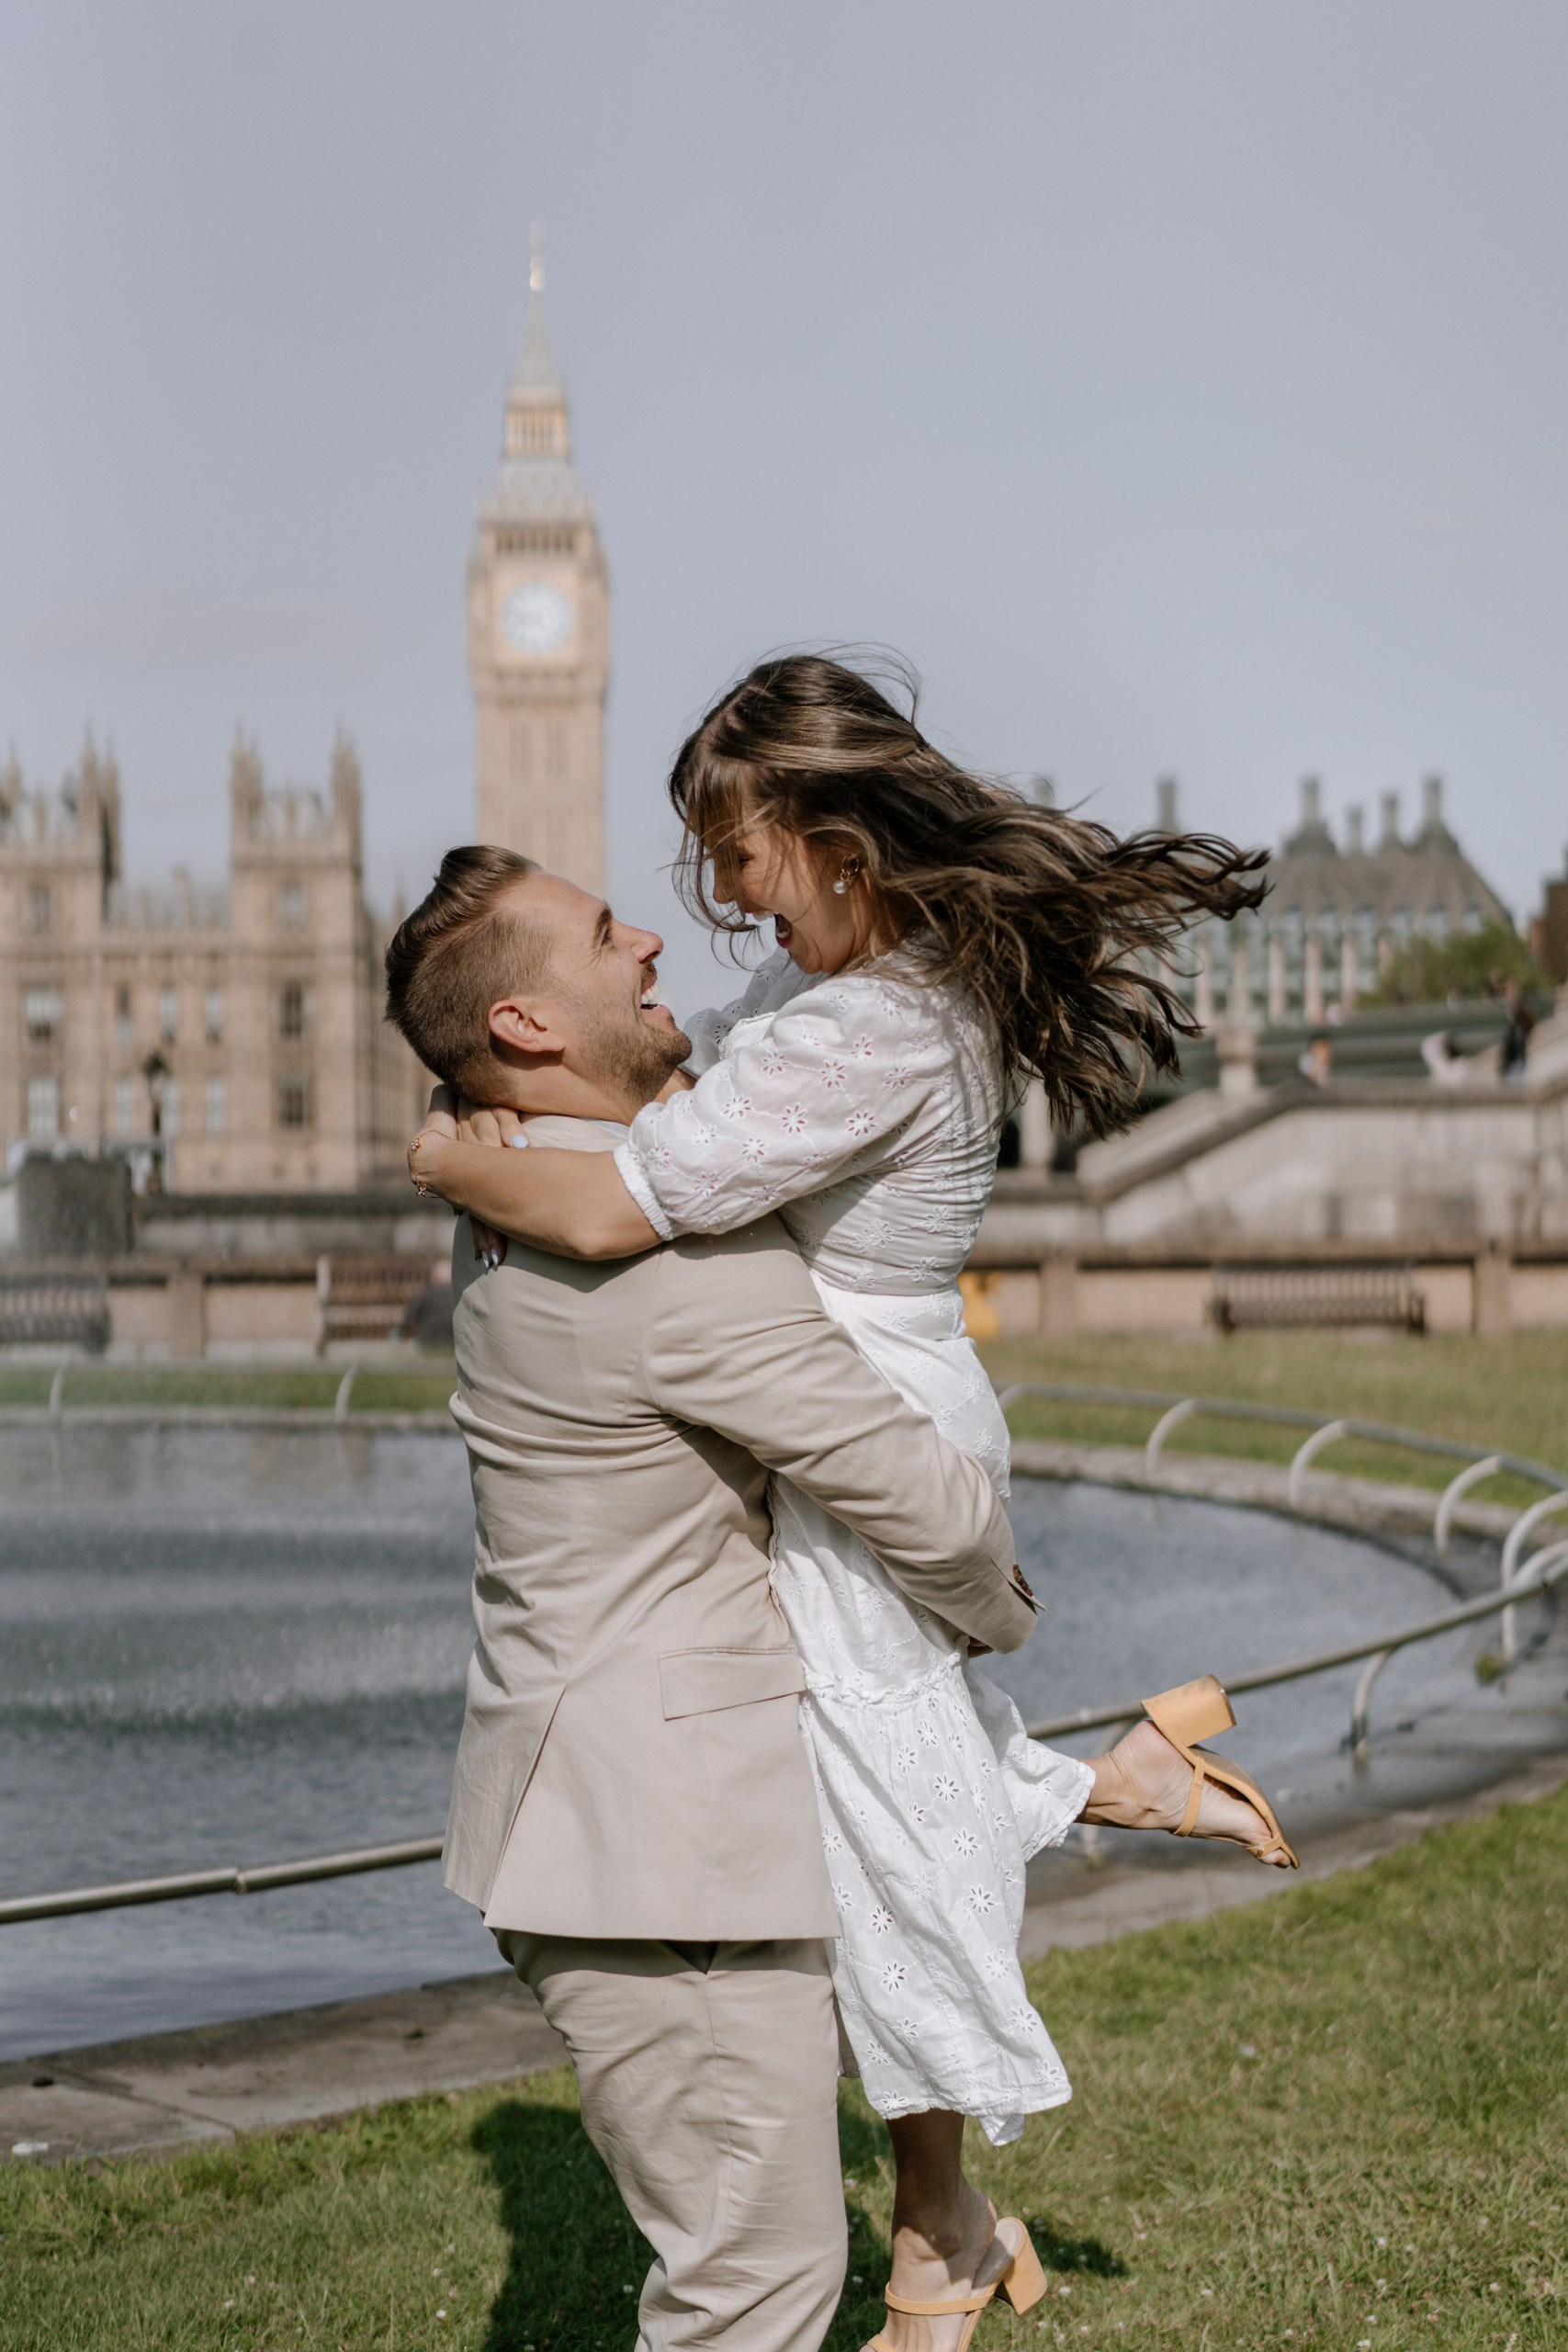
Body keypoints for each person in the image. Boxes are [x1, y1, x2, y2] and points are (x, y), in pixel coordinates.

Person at [407, 656, 1294, 2347]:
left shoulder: (854, 1043)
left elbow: (635, 1198)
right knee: (867, 1777)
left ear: (828, 840)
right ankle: (1090, 1838)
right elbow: (687, 1100)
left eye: (730, 863)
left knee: (882, 1809)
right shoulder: (867, 1003)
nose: (707, 914)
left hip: (877, 1401)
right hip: (868, 1399)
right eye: (652, 905)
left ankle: (947, 2227)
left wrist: (456, 1152)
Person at [386, 845, 1045, 2352]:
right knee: (753, 2290)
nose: (651, 946)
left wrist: (445, 1140)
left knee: (754, 2265)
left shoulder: (523, 1185)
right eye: (606, 935)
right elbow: (905, 1486)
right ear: (532, 1033)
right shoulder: (665, 1272)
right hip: (658, 1863)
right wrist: (1001, 1606)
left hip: (616, 1833)